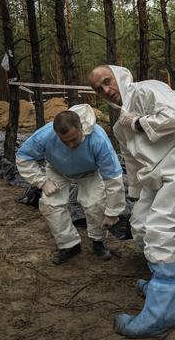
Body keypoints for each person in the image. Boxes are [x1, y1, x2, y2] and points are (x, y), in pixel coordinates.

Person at [88, 65, 175, 339]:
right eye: (99, 89)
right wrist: (134, 194)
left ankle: (161, 315)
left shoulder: (148, 89)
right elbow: (132, 160)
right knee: (141, 225)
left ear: (119, 76)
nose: (107, 90)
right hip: (155, 175)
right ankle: (168, 282)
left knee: (161, 229)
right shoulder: (120, 123)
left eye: (108, 82)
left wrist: (138, 122)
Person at [16, 104, 125, 265]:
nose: (71, 145)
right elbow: (23, 157)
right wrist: (42, 181)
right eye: (65, 141)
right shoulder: (45, 135)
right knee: (50, 204)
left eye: (74, 139)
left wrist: (113, 210)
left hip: (90, 172)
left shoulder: (98, 138)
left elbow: (113, 176)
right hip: (58, 170)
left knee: (95, 204)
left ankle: (98, 241)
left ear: (81, 128)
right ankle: (69, 245)